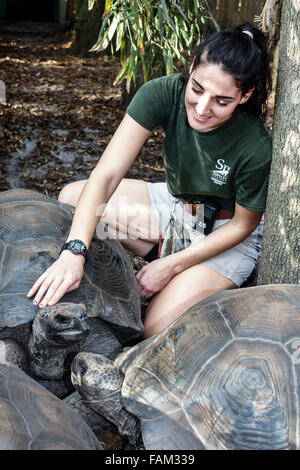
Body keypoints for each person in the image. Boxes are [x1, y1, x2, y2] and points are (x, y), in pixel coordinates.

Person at [27, 22, 272, 338]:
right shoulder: (161, 92)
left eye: (221, 101)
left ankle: (176, 267)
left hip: (226, 236)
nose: (201, 108)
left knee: (150, 329)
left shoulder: (255, 144)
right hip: (181, 209)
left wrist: (171, 267)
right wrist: (74, 252)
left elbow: (243, 225)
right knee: (74, 201)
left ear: (245, 95)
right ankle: (160, 257)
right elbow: (107, 174)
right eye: (197, 88)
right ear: (192, 66)